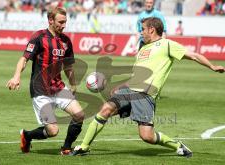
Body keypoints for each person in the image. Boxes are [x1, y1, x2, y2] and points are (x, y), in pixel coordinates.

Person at [71, 17, 225, 157]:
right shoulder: (143, 49)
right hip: (129, 91)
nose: (141, 32)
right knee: (105, 110)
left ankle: (177, 145)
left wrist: (212, 66)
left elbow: (194, 55)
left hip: (145, 95)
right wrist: (121, 86)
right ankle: (84, 147)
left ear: (152, 29)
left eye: (143, 29)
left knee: (147, 136)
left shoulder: (167, 44)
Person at [6, 7, 84, 155]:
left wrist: (73, 83)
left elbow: (68, 66)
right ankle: (27, 136)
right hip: (40, 90)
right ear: (50, 20)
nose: (64, 25)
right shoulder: (39, 37)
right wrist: (16, 76)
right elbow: (24, 59)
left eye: (65, 22)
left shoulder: (66, 41)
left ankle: (66, 148)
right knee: (53, 130)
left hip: (58, 87)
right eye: (61, 22)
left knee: (79, 115)